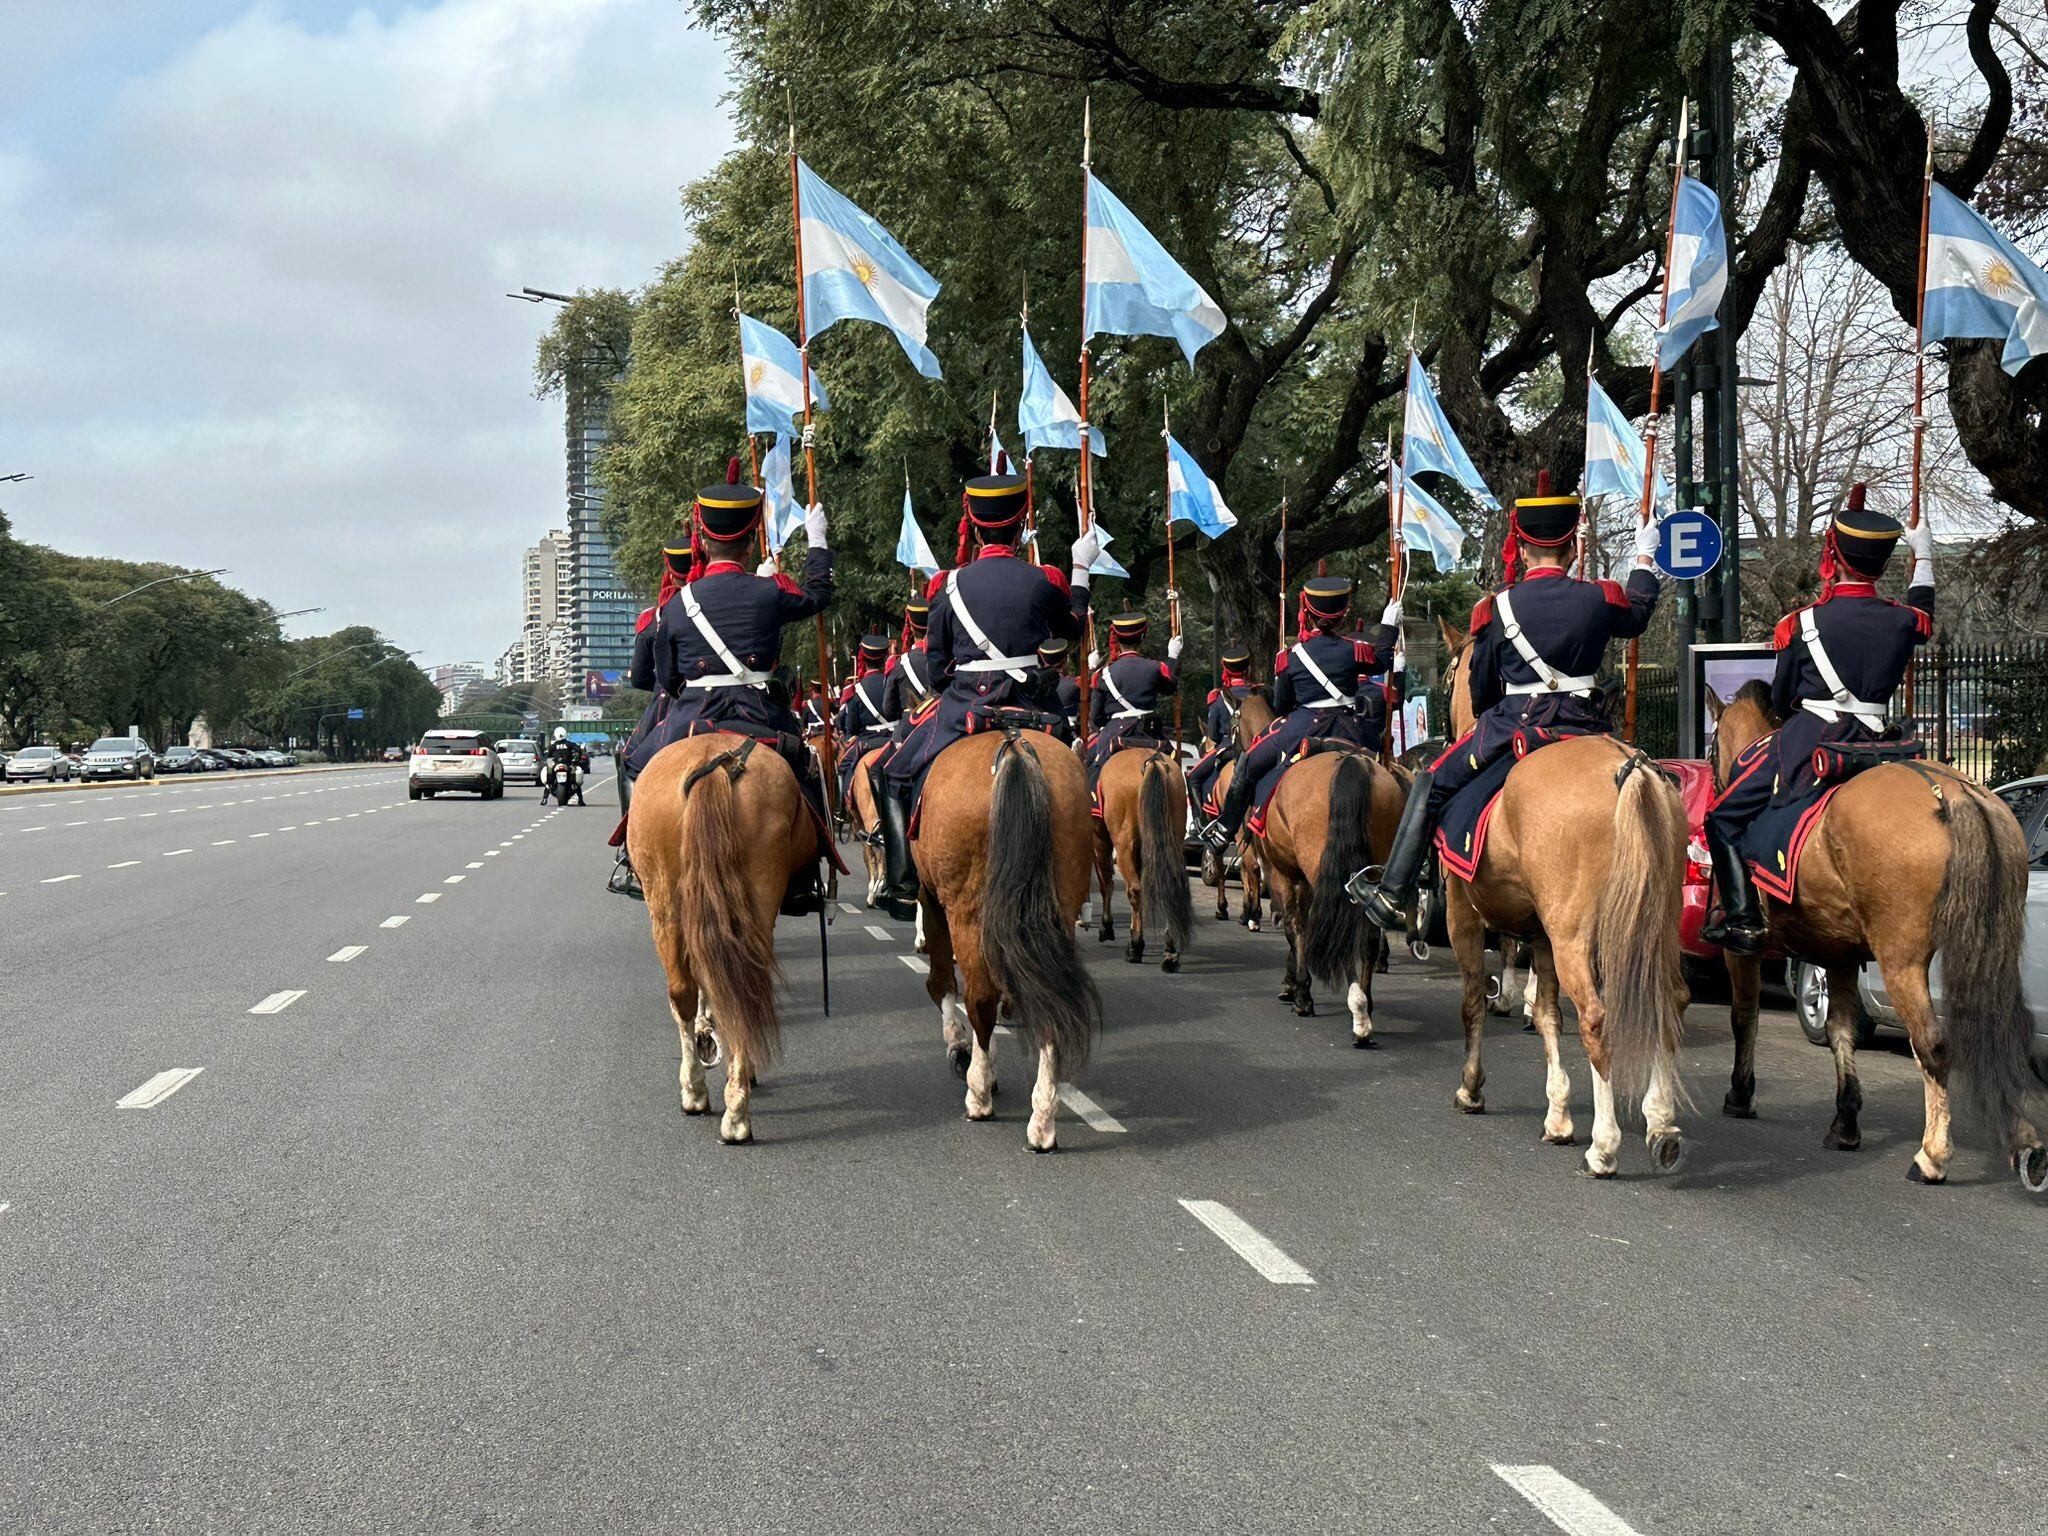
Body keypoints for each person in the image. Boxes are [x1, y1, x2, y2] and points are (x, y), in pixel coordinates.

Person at [1349, 474, 1662, 929]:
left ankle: (1392, 893)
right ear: (1572, 546)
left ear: (1521, 546)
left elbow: (1481, 693)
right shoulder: (1599, 596)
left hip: (1517, 723)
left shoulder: (1497, 607)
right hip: (1588, 724)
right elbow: (1637, 615)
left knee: (1430, 784)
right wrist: (1643, 556)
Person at [1699, 484, 1934, 954]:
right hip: (1879, 738)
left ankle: (1744, 919)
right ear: (1883, 564)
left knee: (1722, 817)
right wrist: (1923, 557)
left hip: (1813, 737)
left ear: (1836, 556)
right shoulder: (1903, 620)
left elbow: (1784, 700)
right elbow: (1924, 610)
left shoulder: (1801, 623)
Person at [873, 472, 1097, 919]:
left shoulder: (947, 586)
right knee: (1078, 777)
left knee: (891, 772)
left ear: (974, 526)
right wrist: (1080, 568)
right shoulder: (1045, 580)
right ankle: (1080, 886)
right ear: (1022, 523)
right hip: (1037, 705)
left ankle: (902, 881)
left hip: (965, 708)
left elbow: (937, 667)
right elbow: (1073, 627)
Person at [613, 464, 835, 910]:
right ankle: (805, 873)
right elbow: (819, 595)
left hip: (690, 718)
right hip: (761, 715)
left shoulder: (675, 607)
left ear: (702, 536)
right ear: (751, 538)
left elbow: (669, 680)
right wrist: (817, 541)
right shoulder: (770, 591)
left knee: (639, 765)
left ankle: (635, 860)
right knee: (806, 773)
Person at [1197, 576, 1398, 847]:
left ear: (1307, 612)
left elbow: (1281, 706)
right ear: (1343, 614)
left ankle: (1226, 828)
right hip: (1351, 727)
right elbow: (1383, 661)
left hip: (1302, 725)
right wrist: (1388, 626)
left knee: (1247, 764)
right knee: (1392, 767)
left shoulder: (1290, 656)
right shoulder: (1356, 650)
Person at [1080, 612, 1182, 787]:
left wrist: (1092, 668)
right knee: (1176, 768)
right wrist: (1173, 656)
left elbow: (1095, 718)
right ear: (1143, 636)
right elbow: (1171, 686)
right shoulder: (1155, 667)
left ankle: (1095, 810)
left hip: (1115, 731)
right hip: (1150, 731)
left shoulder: (1103, 674)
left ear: (1117, 639)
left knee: (1092, 770)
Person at [1185, 643, 1255, 816]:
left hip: (1228, 749)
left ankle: (1197, 825)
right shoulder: (1257, 693)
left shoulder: (1219, 698)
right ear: (1247, 668)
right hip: (1255, 747)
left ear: (1225, 669)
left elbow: (1214, 736)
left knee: (1193, 777)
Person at [834, 635, 899, 812]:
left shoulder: (856, 691)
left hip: (870, 740)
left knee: (844, 766)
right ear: (884, 657)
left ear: (864, 657)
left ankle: (841, 808)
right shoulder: (895, 678)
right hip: (899, 736)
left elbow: (853, 727)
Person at [1039, 637, 1081, 740]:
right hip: (1069, 734)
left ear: (1042, 658)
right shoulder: (1075, 684)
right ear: (1066, 660)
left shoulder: (1035, 686)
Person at [546, 725, 586, 805]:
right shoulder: (570, 744)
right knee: (575, 782)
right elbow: (579, 750)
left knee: (549, 779)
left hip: (556, 764)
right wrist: (577, 758)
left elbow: (548, 755)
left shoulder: (553, 745)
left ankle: (544, 798)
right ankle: (580, 800)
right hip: (568, 764)